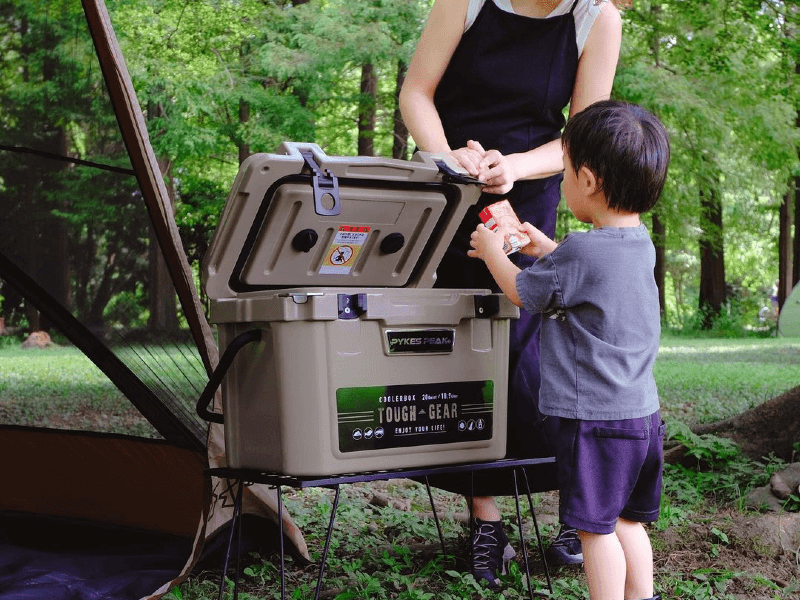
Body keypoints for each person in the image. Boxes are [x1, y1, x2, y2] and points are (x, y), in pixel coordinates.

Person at [399, 0, 627, 584]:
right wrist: (449, 158)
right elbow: (416, 94)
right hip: (445, 189)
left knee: (533, 358)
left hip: (526, 199)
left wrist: (518, 167)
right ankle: (485, 521)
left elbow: (586, 134)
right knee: (464, 356)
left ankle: (572, 518)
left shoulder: (597, 18)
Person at [468, 99, 669, 600]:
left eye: (564, 173)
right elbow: (596, 281)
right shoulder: (637, 244)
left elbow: (522, 293)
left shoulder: (583, 250)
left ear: (590, 179)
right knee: (629, 523)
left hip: (593, 422)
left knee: (594, 531)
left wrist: (495, 251)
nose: (559, 183)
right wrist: (547, 249)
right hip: (640, 418)